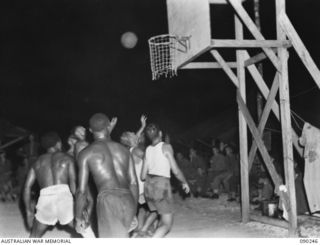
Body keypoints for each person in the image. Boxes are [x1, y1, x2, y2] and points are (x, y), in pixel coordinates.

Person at [76, 113, 138, 238]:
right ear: (109, 126)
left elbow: (81, 191)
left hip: (108, 200)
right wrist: (133, 211)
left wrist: (78, 218)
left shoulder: (86, 153)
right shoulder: (125, 150)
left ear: (90, 130)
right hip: (128, 198)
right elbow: (133, 183)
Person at [140, 123, 190, 237]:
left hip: (148, 186)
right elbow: (176, 170)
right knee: (167, 224)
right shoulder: (166, 147)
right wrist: (184, 182)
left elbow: (142, 176)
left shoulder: (147, 149)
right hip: (161, 186)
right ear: (160, 133)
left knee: (160, 215)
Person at [23, 132, 76, 238]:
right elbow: (74, 185)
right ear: (58, 143)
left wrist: (29, 211)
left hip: (45, 198)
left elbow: (27, 187)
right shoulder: (67, 158)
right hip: (64, 197)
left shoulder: (37, 162)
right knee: (83, 229)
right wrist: (80, 207)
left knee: (34, 236)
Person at [120, 115, 148, 234]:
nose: (135, 135)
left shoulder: (128, 150)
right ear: (130, 140)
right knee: (151, 208)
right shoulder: (136, 150)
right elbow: (149, 160)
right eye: (132, 134)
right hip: (141, 184)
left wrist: (142, 126)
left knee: (141, 209)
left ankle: (138, 230)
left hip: (134, 184)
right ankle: (134, 230)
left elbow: (135, 138)